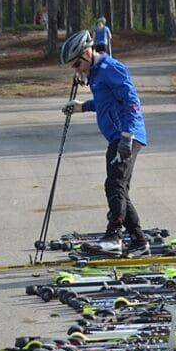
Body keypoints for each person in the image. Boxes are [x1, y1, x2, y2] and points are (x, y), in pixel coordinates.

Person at [59, 30, 148, 256]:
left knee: (114, 184)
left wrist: (127, 137)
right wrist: (82, 106)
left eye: (77, 63)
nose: (76, 69)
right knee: (120, 189)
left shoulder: (111, 68)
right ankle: (138, 241)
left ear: (88, 52)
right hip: (118, 136)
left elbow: (130, 101)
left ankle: (114, 237)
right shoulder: (97, 75)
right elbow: (106, 102)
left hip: (126, 135)